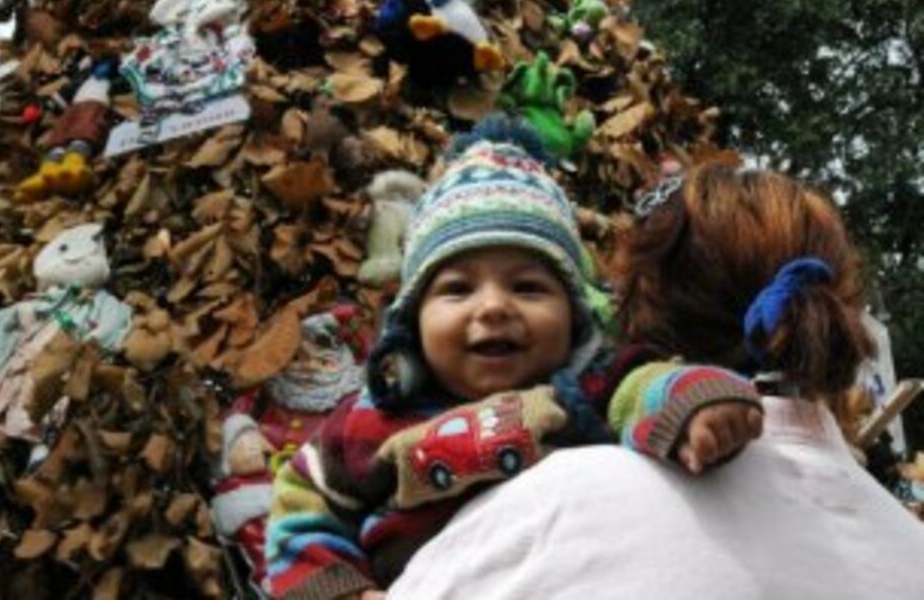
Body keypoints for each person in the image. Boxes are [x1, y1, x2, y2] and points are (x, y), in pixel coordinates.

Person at [264, 119, 765, 600]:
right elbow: (303, 502)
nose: (495, 306)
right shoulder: (369, 419)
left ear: (575, 316)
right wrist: (341, 590)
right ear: (411, 322)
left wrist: (697, 407)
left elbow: (649, 386)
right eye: (457, 290)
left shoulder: (593, 385)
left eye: (528, 287)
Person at [388, 163, 924, 600]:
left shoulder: (550, 507)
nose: (494, 308)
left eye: (529, 287)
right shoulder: (911, 547)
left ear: (635, 316)